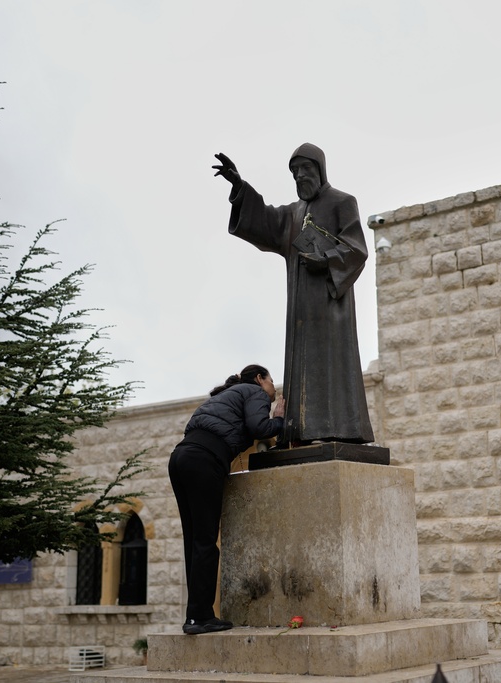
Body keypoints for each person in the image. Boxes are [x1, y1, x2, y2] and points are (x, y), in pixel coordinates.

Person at [212, 144, 374, 446]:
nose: (300, 176)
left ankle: (343, 430)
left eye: (305, 169)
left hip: (330, 306)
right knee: (302, 366)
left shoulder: (342, 202)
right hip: (300, 312)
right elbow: (263, 221)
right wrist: (240, 188)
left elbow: (357, 249)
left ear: (320, 169)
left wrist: (326, 260)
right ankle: (303, 433)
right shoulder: (293, 213)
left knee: (333, 364)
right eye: (294, 171)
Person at [168, 365, 285, 634]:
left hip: (180, 458)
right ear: (259, 379)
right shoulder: (253, 392)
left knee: (195, 540)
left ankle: (195, 617)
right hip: (204, 460)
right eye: (271, 382)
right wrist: (278, 420)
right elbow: (259, 426)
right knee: (206, 541)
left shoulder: (224, 397)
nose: (273, 389)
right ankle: (200, 617)